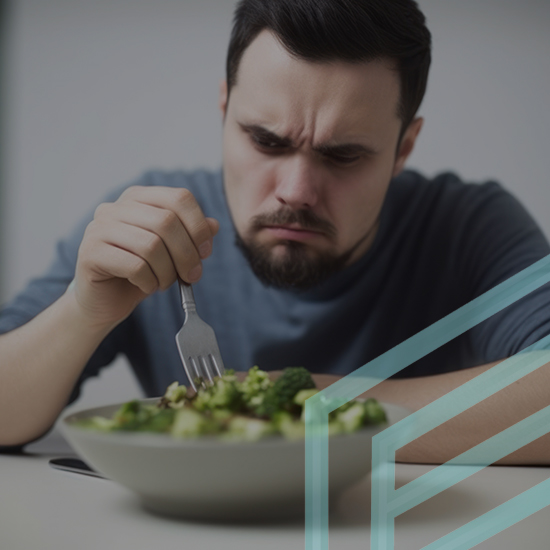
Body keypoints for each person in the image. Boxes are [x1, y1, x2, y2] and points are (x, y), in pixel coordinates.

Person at [1, 0, 550, 463]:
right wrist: (83, 311)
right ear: (223, 110)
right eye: (267, 141)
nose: (296, 190)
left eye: (344, 155)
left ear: (404, 148)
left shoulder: (467, 225)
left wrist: (300, 405)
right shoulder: (149, 226)